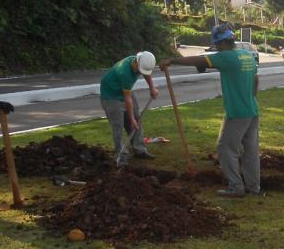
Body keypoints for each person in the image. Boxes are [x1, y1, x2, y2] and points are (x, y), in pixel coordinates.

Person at [160, 24, 260, 197]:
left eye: (217, 45)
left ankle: (236, 187)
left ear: (220, 43)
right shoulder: (247, 55)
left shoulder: (226, 57)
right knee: (250, 151)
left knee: (225, 148)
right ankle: (254, 187)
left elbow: (199, 60)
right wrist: (249, 97)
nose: (217, 48)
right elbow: (256, 80)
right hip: (252, 110)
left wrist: (172, 60)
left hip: (237, 113)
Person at [100, 51, 159, 164]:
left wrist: (152, 87)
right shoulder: (124, 72)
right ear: (136, 63)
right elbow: (127, 99)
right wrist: (131, 119)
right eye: (140, 70)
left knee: (137, 119)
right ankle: (121, 155)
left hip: (124, 91)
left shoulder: (139, 61)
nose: (142, 72)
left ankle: (140, 150)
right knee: (118, 125)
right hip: (111, 96)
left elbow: (146, 73)